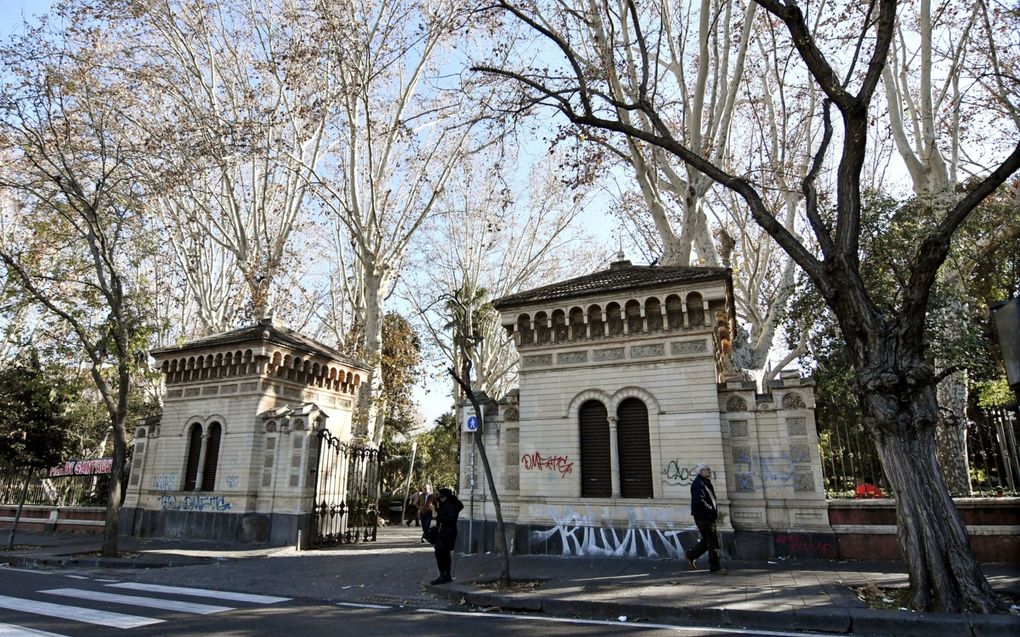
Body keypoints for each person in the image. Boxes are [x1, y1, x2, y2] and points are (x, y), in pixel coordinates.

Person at [684, 464, 727, 574]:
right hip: (704, 517)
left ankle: (690, 555)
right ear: (701, 471)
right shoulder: (699, 484)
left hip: (706, 516)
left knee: (708, 541)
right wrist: (711, 510)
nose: (709, 471)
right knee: (713, 543)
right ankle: (715, 568)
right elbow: (699, 501)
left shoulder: (704, 482)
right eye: (707, 469)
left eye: (709, 469)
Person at [430, 487, 463, 585]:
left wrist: (437, 516)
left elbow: (450, 519)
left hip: (448, 531)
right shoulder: (444, 504)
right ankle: (445, 574)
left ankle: (444, 575)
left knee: (441, 551)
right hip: (443, 531)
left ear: (447, 497)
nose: (440, 499)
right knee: (442, 552)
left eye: (442, 497)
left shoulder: (452, 506)